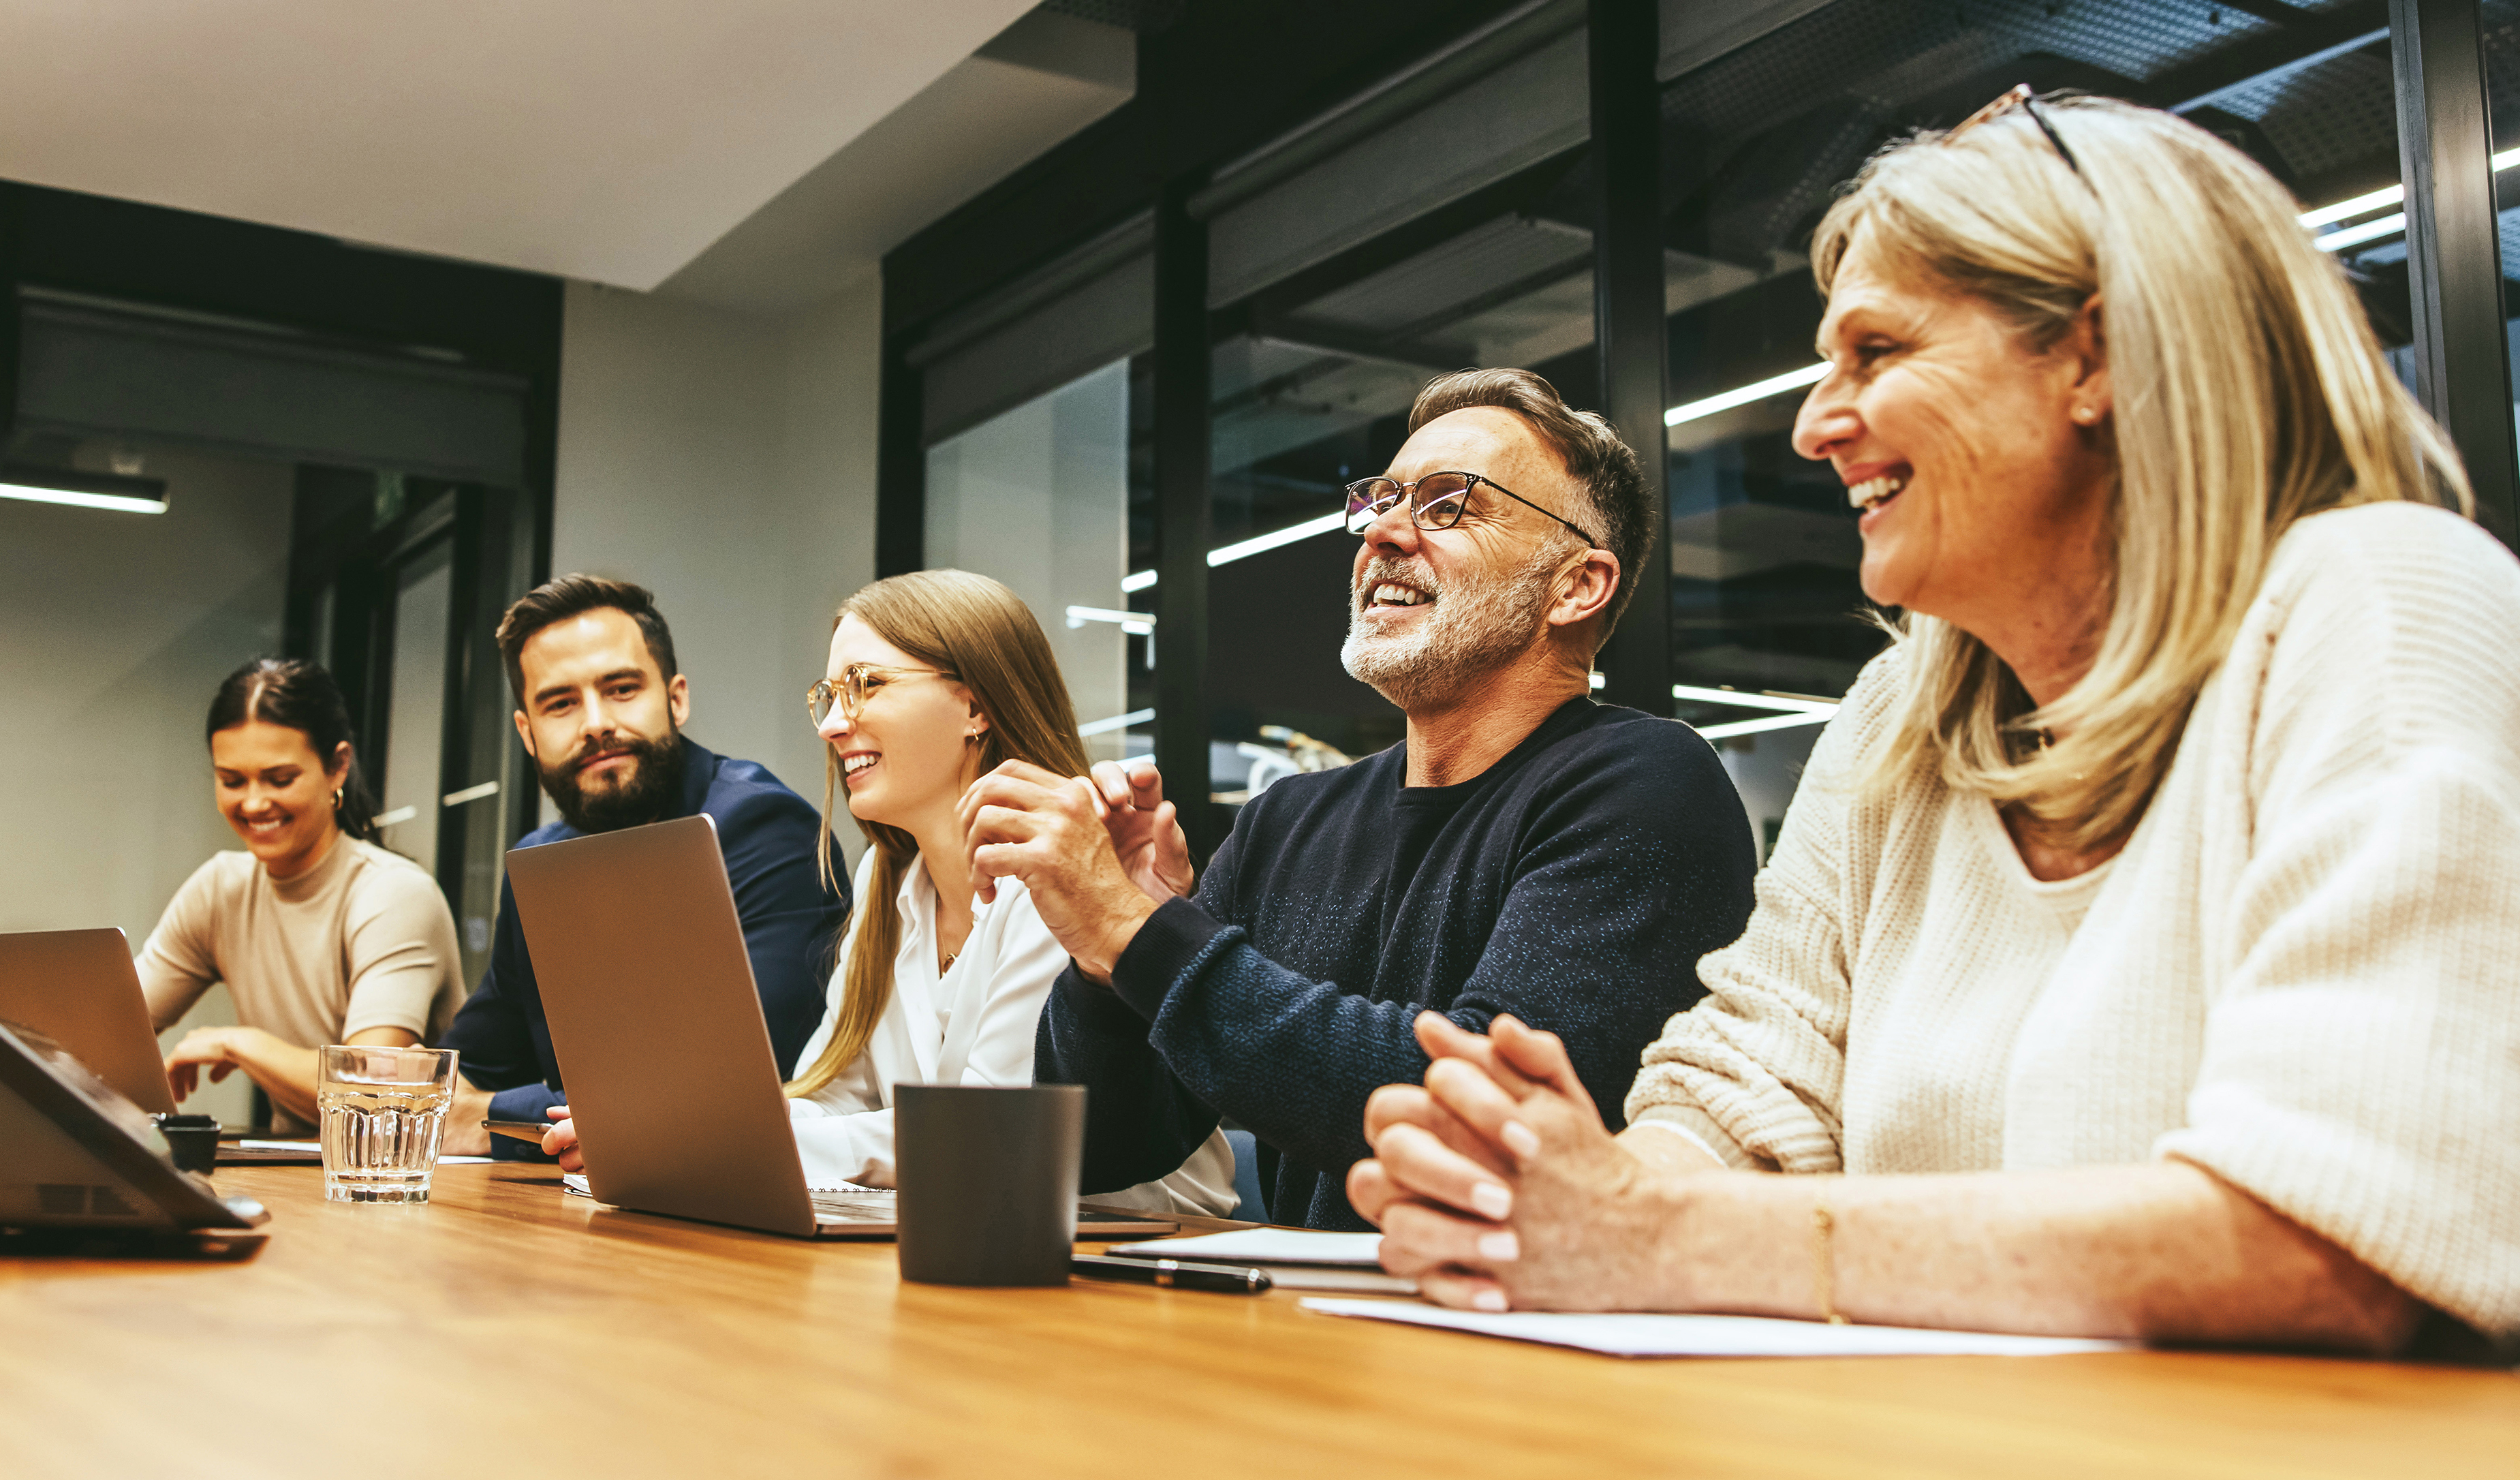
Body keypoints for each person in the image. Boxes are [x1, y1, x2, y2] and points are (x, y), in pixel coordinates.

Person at [1350, 93, 2520, 1353]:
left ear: (2096, 356)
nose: (1813, 424)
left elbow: (2331, 1242)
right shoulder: (1899, 714)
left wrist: (1650, 1235)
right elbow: (1745, 1090)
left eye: (1876, 354)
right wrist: (1556, 1197)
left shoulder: (2381, 596)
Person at [961, 369, 1761, 1231]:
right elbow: (1107, 1151)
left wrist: (1139, 932)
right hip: (1305, 1334)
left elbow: (1476, 1125)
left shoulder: (1644, 783)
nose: (1382, 530)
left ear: (1575, 587)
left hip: (1512, 1343)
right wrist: (1103, 961)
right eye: (1380, 500)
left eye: (1448, 503)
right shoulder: (1287, 821)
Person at [540, 570, 1236, 1214]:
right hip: (978, 1235)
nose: (832, 724)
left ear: (975, 705)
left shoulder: (1065, 868)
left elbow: (985, 1131)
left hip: (1148, 1257)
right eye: (828, 696)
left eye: (866, 685)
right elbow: (833, 1092)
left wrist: (706, 1140)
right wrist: (672, 1126)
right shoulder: (886, 881)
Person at [440, 575, 845, 1156]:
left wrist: (486, 1117)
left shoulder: (765, 828)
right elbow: (471, 1066)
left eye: (622, 689)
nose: (596, 723)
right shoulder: (538, 862)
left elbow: (732, 1089)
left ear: (675, 698)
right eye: (561, 703)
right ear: (528, 734)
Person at [141, 658, 466, 1130]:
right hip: (297, 1173)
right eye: (232, 781)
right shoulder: (220, 889)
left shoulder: (394, 893)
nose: (253, 803)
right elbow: (110, 1031)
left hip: (401, 1181)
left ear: (337, 767)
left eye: (279, 779)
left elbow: (370, 1090)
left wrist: (240, 1044)